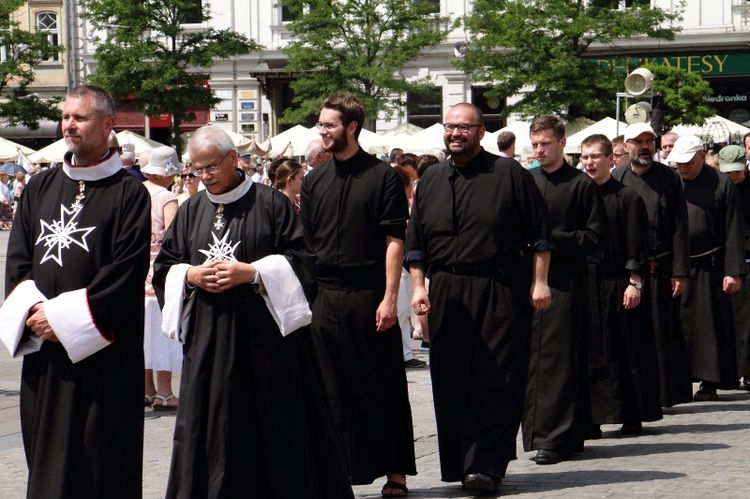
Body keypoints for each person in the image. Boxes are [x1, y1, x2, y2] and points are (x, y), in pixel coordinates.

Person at [153, 125, 353, 498]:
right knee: (209, 428)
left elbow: (304, 262)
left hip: (264, 343)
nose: (204, 177)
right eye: (196, 170)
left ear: (233, 158)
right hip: (208, 342)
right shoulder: (191, 208)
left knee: (270, 423)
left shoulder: (271, 203)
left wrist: (255, 272)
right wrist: (191, 275)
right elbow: (165, 268)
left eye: (211, 167)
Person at [0, 85, 151, 498]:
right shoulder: (39, 187)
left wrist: (63, 320)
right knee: (46, 459)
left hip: (104, 354)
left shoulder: (130, 193)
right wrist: (34, 314)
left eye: (79, 118)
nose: (69, 125)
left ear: (107, 125)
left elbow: (125, 272)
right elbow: (17, 262)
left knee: (100, 460)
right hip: (45, 356)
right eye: (66, 117)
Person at [406, 103, 552, 494]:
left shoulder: (510, 174)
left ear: (481, 131)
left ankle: (487, 466)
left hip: (500, 286)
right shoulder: (431, 179)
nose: (455, 134)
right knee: (450, 379)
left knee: (497, 378)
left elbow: (540, 236)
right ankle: (459, 463)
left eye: (464, 128)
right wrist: (419, 288)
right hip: (448, 291)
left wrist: (540, 283)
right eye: (450, 127)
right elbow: (416, 245)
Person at [300, 93, 416, 498]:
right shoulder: (314, 179)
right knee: (329, 390)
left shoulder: (383, 176)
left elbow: (393, 241)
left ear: (351, 127)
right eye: (321, 124)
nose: (322, 130)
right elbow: (306, 244)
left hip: (368, 295)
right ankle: (337, 472)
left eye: (329, 124)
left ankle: (396, 471)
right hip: (324, 296)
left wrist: (388, 299)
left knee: (382, 383)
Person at [522, 114, 608, 466]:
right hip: (528, 282)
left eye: (545, 144)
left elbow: (595, 237)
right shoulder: (525, 180)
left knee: (560, 361)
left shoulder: (580, 185)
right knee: (533, 361)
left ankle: (556, 438)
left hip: (566, 282)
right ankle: (552, 434)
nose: (539, 150)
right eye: (535, 144)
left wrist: (551, 240)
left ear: (562, 143)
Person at [580, 134, 663, 435]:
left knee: (625, 348)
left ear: (610, 159)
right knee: (590, 352)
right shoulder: (579, 195)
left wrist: (635, 283)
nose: (589, 162)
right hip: (587, 283)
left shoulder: (628, 198)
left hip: (620, 282)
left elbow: (637, 246)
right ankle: (592, 417)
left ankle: (632, 411)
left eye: (595, 157)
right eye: (585, 157)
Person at [611, 122, 693, 408]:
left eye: (649, 141)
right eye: (638, 141)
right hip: (625, 271)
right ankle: (634, 397)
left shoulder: (669, 178)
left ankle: (661, 395)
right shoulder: (617, 177)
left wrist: (680, 271)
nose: (644, 146)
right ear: (626, 146)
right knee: (630, 335)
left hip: (660, 269)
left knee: (660, 334)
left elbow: (679, 225)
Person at [668, 136, 745, 401]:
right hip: (676, 263)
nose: (684, 168)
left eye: (688, 162)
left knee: (708, 327)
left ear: (701, 157)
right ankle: (676, 381)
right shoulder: (672, 182)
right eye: (679, 163)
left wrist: (732, 270)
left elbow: (734, 229)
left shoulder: (722, 183)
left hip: (710, 264)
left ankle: (708, 381)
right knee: (676, 326)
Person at [142, 146, 184, 410]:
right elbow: (173, 238)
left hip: (135, 273)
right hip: (159, 274)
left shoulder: (133, 191)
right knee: (163, 333)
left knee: (144, 335)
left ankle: (146, 389)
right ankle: (165, 393)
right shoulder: (166, 197)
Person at [719, 145, 750, 388]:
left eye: (736, 173)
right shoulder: (717, 186)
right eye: (727, 172)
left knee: (747, 321)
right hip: (721, 260)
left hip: (747, 259)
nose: (732, 177)